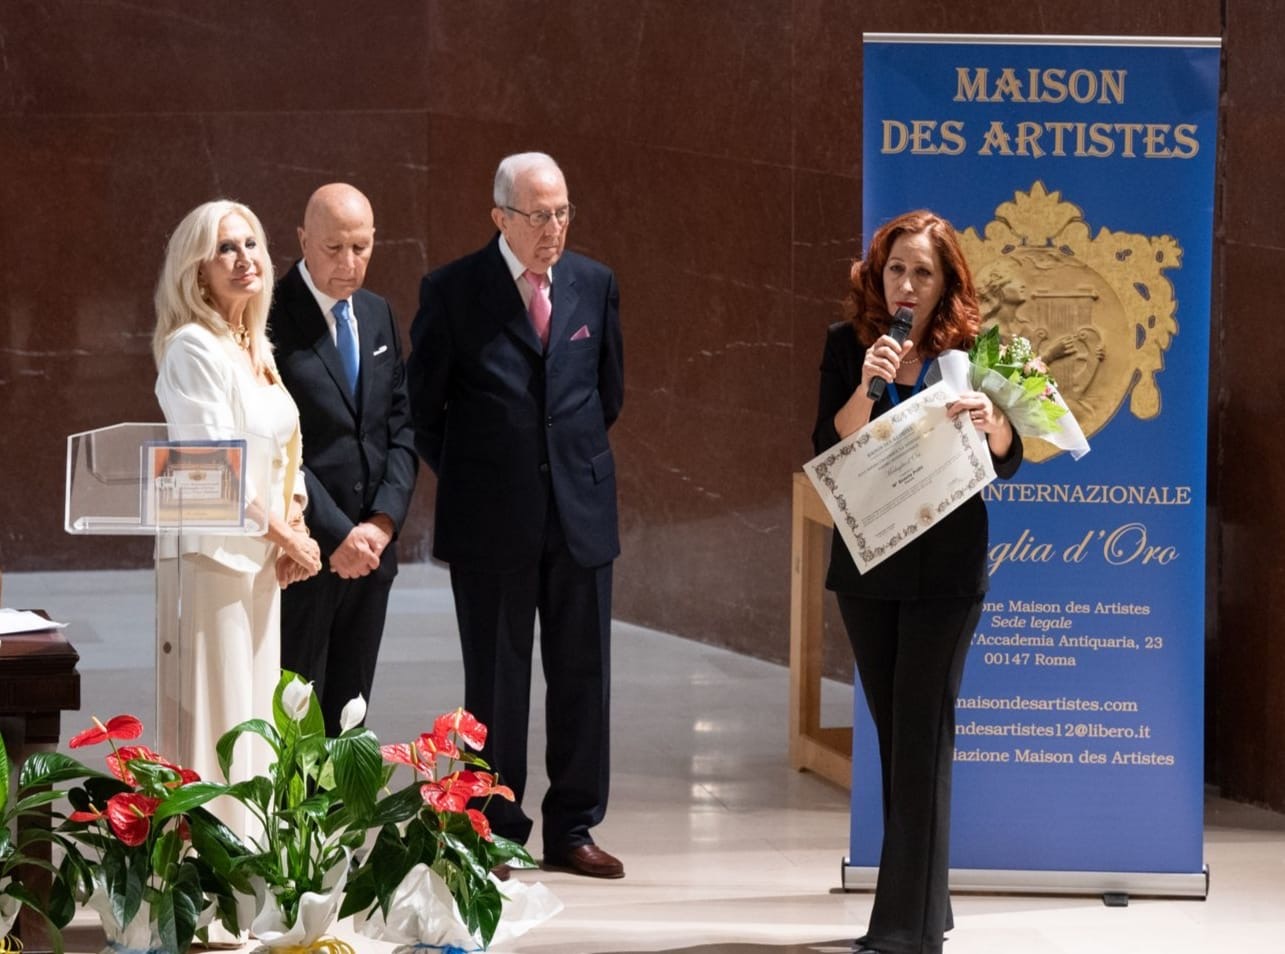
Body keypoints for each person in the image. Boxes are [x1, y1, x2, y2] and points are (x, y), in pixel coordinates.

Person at [407, 152, 625, 879]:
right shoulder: (452, 291)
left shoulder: (594, 285)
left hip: (579, 514)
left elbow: (607, 395)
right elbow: (423, 410)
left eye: (562, 212)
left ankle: (573, 828)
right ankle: (495, 827)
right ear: (500, 216)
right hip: (490, 521)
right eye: (538, 215)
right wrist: (483, 471)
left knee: (582, 677)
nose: (552, 229)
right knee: (495, 684)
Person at [812, 210, 1024, 954]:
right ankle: (927, 902)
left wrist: (989, 418)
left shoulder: (976, 350)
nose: (907, 283)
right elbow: (828, 440)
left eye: (923, 272)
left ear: (946, 283)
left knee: (924, 739)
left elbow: (1010, 454)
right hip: (869, 567)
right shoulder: (849, 345)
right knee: (897, 738)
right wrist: (868, 386)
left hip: (946, 572)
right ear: (879, 275)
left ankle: (903, 929)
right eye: (897, 269)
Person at [152, 200, 322, 842]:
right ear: (196, 270)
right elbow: (214, 471)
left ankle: (253, 880)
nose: (245, 257)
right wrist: (288, 538)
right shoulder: (193, 348)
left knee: (256, 717)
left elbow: (284, 446)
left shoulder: (253, 342)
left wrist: (295, 524)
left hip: (260, 565)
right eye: (226, 247)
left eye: (251, 243)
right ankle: (211, 890)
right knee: (222, 722)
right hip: (216, 562)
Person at [267, 183, 418, 737]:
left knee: (350, 715)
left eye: (361, 248)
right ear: (304, 239)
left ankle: (341, 827)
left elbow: (399, 428)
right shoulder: (271, 319)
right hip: (306, 553)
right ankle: (292, 827)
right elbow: (278, 448)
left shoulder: (377, 314)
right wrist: (338, 536)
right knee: (293, 717)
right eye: (334, 249)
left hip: (371, 558)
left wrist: (381, 525)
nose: (349, 264)